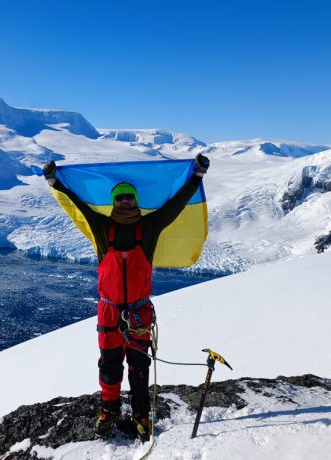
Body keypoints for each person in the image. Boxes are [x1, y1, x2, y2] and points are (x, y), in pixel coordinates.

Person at [43, 154, 209, 441]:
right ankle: (109, 411)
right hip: (109, 312)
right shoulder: (101, 227)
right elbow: (78, 206)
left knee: (139, 368)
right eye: (119, 198)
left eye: (128, 197)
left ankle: (141, 416)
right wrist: (54, 182)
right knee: (109, 366)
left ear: (135, 201)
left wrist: (196, 176)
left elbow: (176, 205)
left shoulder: (149, 227)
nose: (124, 202)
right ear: (113, 202)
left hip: (138, 312)